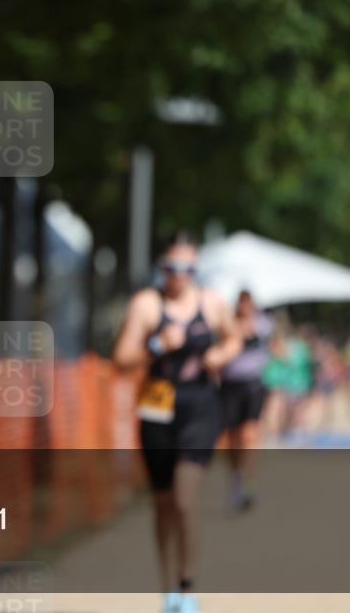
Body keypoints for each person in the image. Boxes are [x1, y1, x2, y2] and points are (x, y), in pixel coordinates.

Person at [113, 231, 241, 613]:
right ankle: (168, 589)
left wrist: (221, 355)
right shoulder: (147, 305)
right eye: (173, 267)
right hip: (157, 407)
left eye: (188, 268)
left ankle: (188, 586)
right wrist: (156, 345)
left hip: (201, 406)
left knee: (186, 498)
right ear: (161, 268)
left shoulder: (212, 303)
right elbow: (120, 359)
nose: (180, 275)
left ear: (196, 269)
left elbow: (235, 338)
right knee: (164, 502)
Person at [218, 290, 272, 513]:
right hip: (230, 385)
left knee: (250, 434)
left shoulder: (264, 324)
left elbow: (269, 341)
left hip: (254, 385)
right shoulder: (228, 322)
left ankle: (249, 482)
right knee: (232, 437)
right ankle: (236, 477)